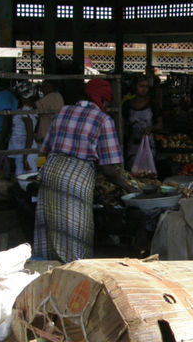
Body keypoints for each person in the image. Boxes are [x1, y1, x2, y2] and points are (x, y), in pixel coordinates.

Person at [34, 78, 133, 262]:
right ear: (102, 100)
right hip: (76, 178)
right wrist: (130, 189)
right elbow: (108, 169)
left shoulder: (63, 111)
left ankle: (47, 271)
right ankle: (74, 272)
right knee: (74, 233)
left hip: (50, 172)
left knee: (50, 229)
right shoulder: (103, 120)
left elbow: (46, 149)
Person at [123, 75, 160, 170]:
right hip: (132, 145)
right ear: (135, 87)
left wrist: (151, 128)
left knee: (148, 172)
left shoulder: (152, 104)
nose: (144, 89)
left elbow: (160, 124)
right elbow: (122, 125)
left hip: (148, 145)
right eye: (141, 86)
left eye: (146, 87)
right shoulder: (127, 105)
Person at [8, 79, 38, 177]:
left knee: (26, 179)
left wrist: (25, 157)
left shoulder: (25, 112)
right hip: (23, 150)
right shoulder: (31, 110)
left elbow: (30, 134)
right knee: (23, 178)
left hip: (25, 151)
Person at [34, 79, 64, 145]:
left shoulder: (50, 97)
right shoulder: (58, 96)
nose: (42, 89)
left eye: (44, 86)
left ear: (50, 87)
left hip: (46, 133)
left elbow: (34, 106)